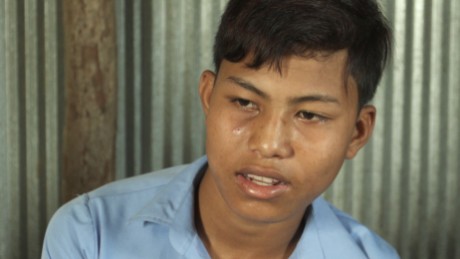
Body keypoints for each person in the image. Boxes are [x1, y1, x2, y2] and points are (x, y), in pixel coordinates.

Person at [42, 0, 399, 258]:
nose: (268, 143)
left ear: (357, 132)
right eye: (245, 103)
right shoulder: (92, 235)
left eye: (308, 114)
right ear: (209, 97)